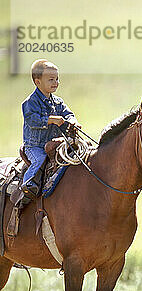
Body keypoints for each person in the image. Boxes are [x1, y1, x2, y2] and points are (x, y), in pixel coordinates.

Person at [21, 59, 79, 198]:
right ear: (38, 82)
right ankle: (28, 185)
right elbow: (32, 120)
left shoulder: (58, 102)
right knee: (40, 160)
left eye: (57, 79)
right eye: (51, 79)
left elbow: (68, 113)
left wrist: (73, 121)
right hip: (35, 145)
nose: (55, 82)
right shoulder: (30, 103)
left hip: (54, 143)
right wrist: (52, 119)